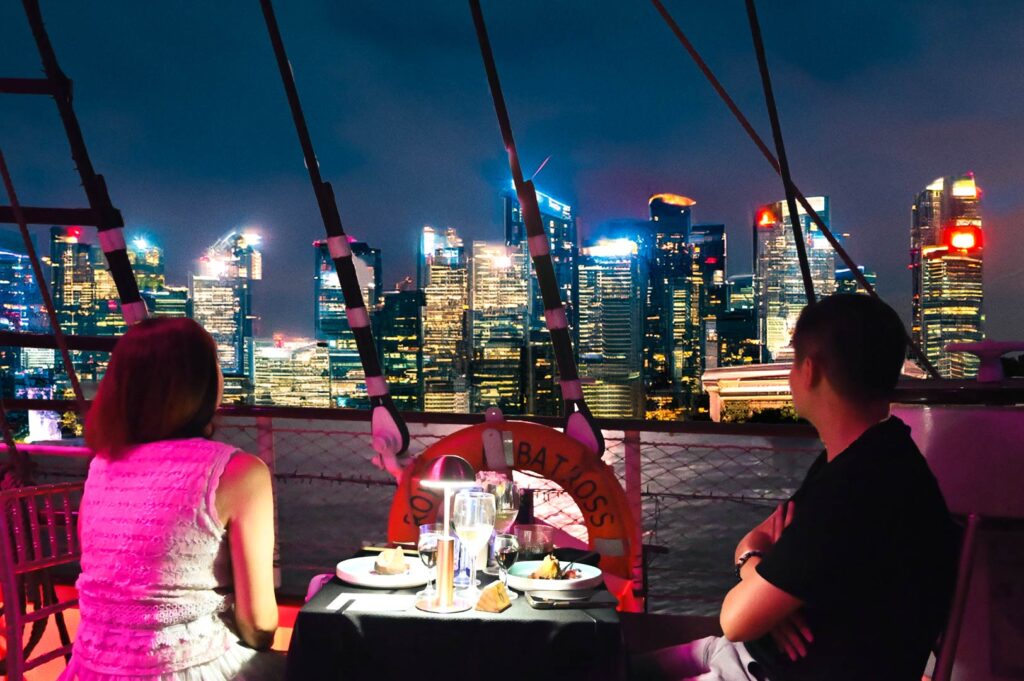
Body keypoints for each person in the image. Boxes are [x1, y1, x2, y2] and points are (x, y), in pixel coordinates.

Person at [636, 294, 958, 681]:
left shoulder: (857, 489)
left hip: (765, 672)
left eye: (792, 362)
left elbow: (735, 619)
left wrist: (762, 590)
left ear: (810, 370)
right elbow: (756, 540)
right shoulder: (871, 456)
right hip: (740, 654)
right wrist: (762, 580)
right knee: (611, 668)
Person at [60, 318, 283, 680]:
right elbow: (258, 624)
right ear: (203, 384)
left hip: (89, 669)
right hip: (193, 668)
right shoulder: (238, 472)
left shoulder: (102, 467)